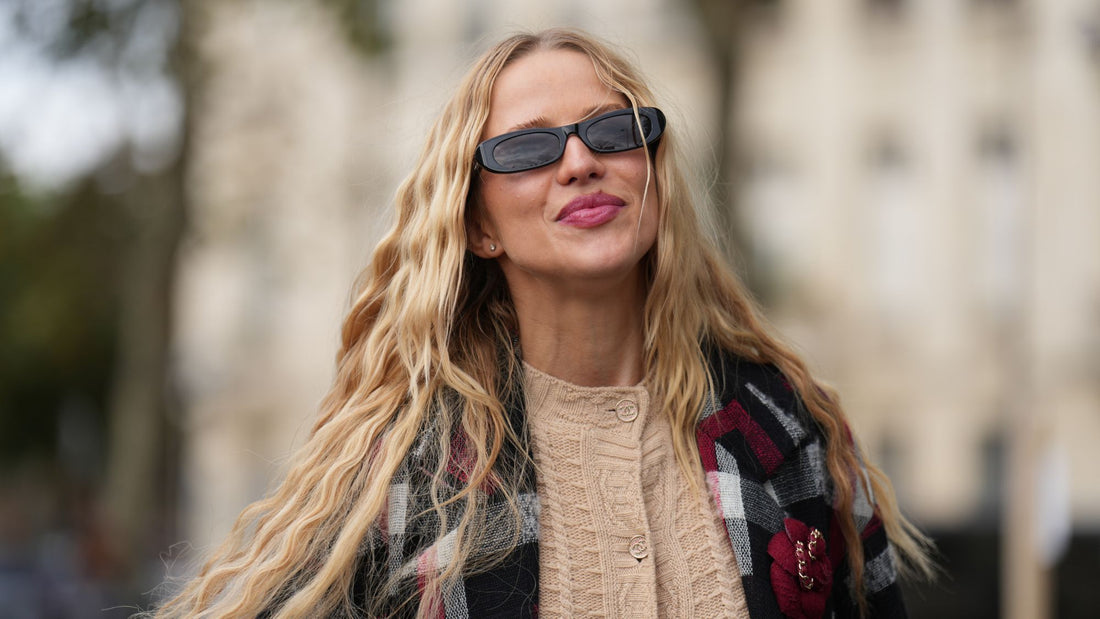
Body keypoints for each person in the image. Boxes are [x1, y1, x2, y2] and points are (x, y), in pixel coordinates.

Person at [157, 28, 932, 618]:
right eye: (528, 145)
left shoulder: (786, 429)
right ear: (478, 225)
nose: (579, 161)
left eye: (611, 130)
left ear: (652, 176)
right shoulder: (409, 474)